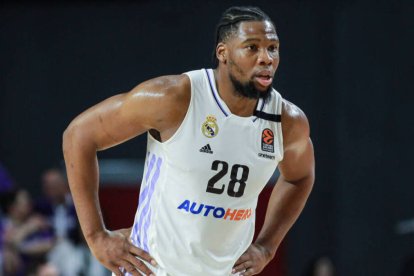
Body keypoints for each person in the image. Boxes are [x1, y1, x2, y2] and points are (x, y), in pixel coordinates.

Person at [62, 6, 315, 276]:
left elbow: (299, 178)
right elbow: (78, 136)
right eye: (252, 48)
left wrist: (266, 247)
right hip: (153, 270)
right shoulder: (173, 98)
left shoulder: (287, 121)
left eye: (272, 48)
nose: (266, 58)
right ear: (223, 53)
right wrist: (96, 236)